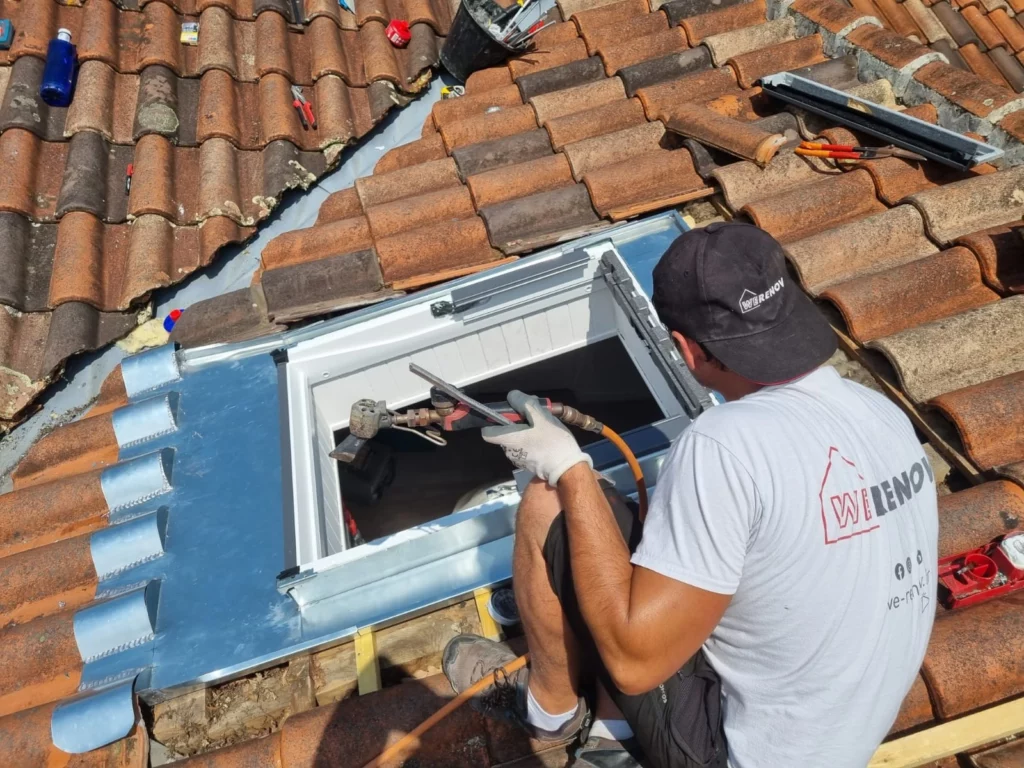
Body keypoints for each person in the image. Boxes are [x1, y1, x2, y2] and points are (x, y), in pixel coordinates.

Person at [442, 222, 939, 768]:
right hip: (841, 730)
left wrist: (568, 467)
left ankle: (549, 713)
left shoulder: (723, 444)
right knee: (612, 525)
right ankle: (610, 720)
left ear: (683, 348)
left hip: (736, 754)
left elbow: (636, 664)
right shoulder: (879, 412)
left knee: (551, 502)